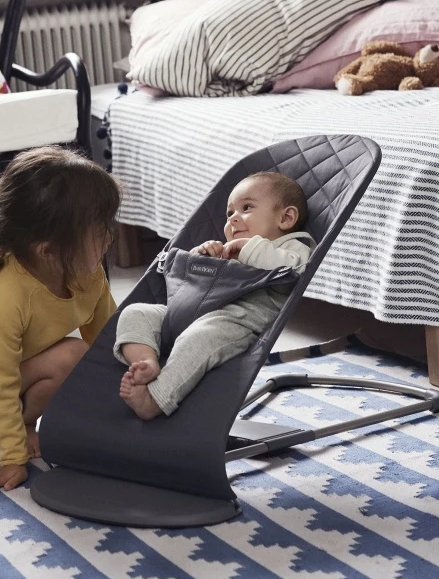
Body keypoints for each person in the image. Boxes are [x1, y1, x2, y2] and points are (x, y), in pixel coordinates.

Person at [0, 145, 120, 495]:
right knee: (72, 355)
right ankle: (22, 425)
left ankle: (34, 418)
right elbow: (1, 378)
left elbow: (107, 339)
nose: (110, 236)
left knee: (86, 358)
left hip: (27, 357)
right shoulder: (3, 295)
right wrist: (11, 459)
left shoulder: (87, 271)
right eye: (99, 230)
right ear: (48, 250)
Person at [115, 171, 314, 420]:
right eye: (229, 213)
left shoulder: (292, 247)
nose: (233, 219)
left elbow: (295, 269)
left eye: (246, 208)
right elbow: (193, 280)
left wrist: (247, 247)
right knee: (135, 313)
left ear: (286, 218)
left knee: (199, 339)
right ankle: (146, 361)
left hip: (235, 321)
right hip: (188, 311)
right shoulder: (227, 248)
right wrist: (201, 256)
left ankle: (155, 399)